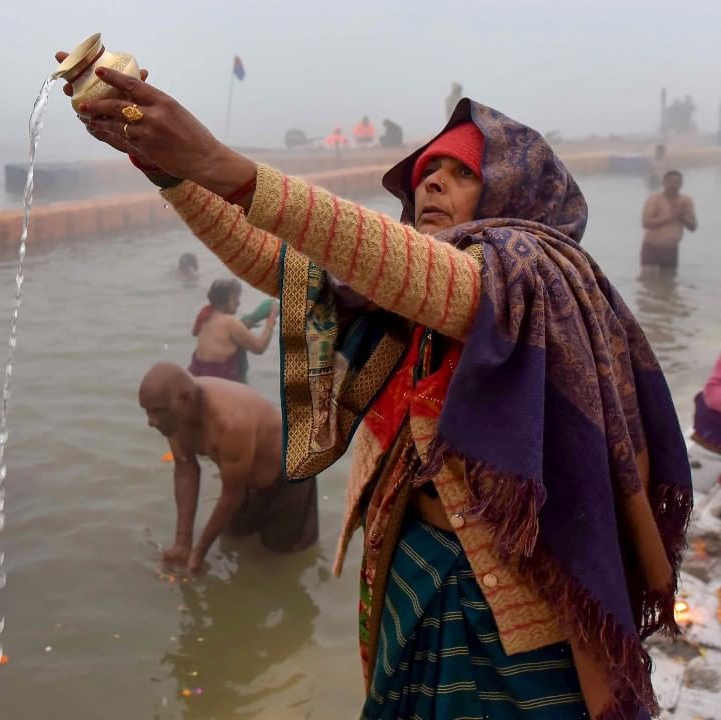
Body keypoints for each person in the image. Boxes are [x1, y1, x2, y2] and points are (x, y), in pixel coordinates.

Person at [63, 56, 690, 719]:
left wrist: (221, 163)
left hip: (518, 600)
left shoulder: (530, 276)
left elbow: (393, 260)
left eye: (460, 174)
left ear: (514, 191)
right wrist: (164, 167)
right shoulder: (399, 289)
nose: (432, 186)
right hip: (410, 563)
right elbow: (280, 260)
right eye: (426, 176)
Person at [139, 363, 318, 574]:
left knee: (279, 560)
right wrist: (183, 542)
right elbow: (186, 470)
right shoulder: (175, 417)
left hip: (289, 471)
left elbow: (232, 494)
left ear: (185, 399)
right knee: (233, 538)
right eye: (147, 411)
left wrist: (199, 552)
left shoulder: (229, 422)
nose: (151, 421)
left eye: (159, 411)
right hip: (245, 477)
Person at [189, 278, 276, 383]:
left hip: (197, 378)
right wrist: (270, 322)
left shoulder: (205, 318)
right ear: (224, 301)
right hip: (220, 383)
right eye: (235, 298)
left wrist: (249, 321)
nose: (238, 302)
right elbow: (259, 348)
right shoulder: (230, 322)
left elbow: (201, 334)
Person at [641, 170, 698, 272]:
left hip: (672, 248)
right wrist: (671, 217)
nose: (674, 184)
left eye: (677, 182)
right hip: (651, 247)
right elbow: (646, 223)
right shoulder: (654, 199)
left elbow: (693, 227)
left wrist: (683, 218)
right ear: (664, 182)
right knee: (647, 280)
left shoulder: (686, 201)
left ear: (681, 184)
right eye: (670, 181)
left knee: (669, 283)